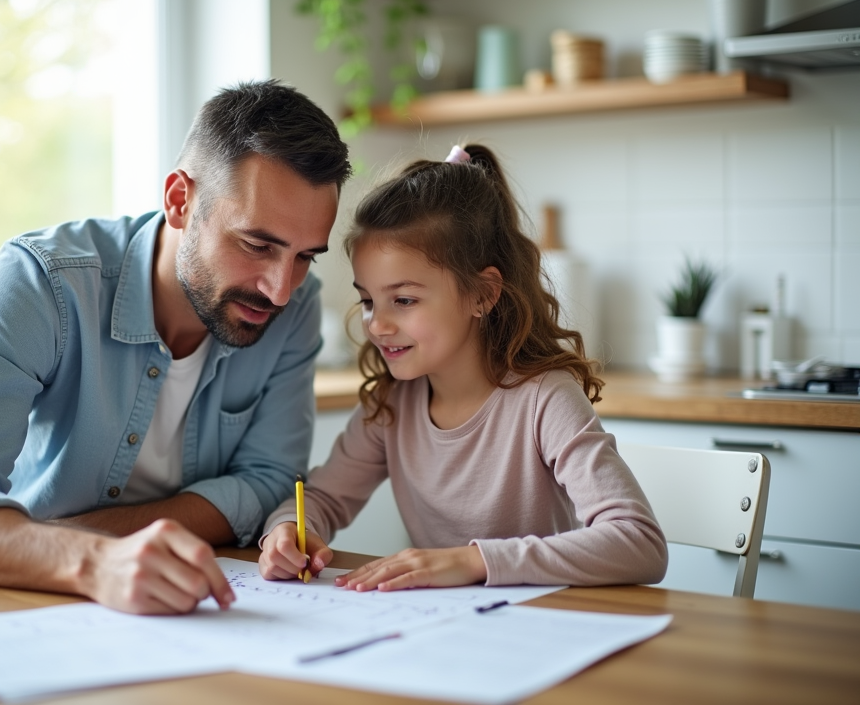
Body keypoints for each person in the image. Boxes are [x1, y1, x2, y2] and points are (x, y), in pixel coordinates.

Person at [0, 80, 352, 614]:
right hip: (29, 601)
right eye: (256, 245)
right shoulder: (41, 284)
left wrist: (82, 536)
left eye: (304, 257)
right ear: (180, 200)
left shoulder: (295, 308)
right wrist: (93, 558)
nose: (280, 289)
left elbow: (270, 479)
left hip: (188, 604)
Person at [259, 144, 667, 591]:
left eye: (405, 300)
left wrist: (475, 562)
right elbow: (319, 498)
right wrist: (285, 532)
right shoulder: (391, 404)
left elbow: (639, 542)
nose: (377, 323)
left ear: (483, 294)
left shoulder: (544, 399)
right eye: (369, 300)